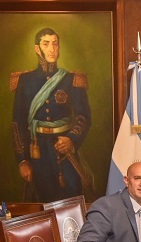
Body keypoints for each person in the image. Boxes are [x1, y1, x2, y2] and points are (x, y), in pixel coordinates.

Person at [11, 27, 93, 202]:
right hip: (37, 151)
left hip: (65, 149)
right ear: (37, 49)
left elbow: (83, 116)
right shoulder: (25, 81)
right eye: (46, 44)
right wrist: (22, 160)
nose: (51, 49)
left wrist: (71, 139)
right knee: (41, 200)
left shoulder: (71, 79)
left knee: (71, 197)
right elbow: (17, 123)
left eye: (55, 44)